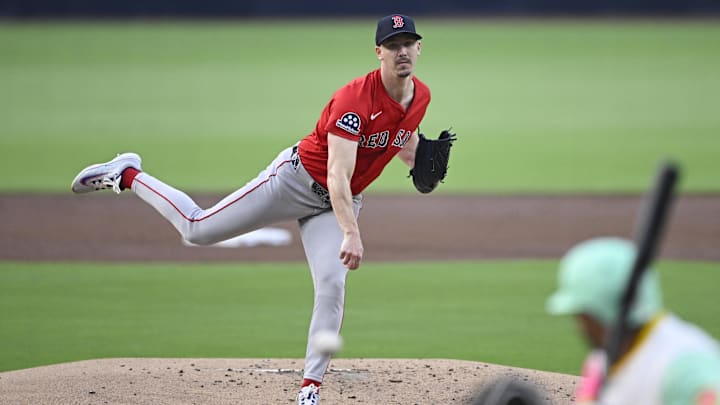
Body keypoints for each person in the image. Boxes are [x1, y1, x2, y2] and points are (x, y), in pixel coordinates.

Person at [71, 14, 448, 405]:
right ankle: (128, 174)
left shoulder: (421, 97)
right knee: (196, 230)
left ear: (419, 48)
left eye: (408, 43)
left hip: (335, 204)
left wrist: (418, 163)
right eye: (392, 45)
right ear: (378, 53)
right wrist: (351, 232)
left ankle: (309, 390)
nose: (401, 51)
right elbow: (338, 174)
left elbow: (401, 139)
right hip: (294, 182)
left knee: (333, 284)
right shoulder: (354, 101)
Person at [546, 237, 720, 405]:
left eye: (583, 315)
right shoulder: (601, 361)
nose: (579, 325)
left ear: (601, 311)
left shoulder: (684, 368)